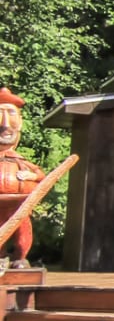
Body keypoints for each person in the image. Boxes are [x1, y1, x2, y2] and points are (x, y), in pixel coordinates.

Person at [0, 88, 45, 268]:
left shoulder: (20, 161)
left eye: (11, 114)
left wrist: (31, 175)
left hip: (18, 205)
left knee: (22, 231)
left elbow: (40, 175)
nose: (5, 124)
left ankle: (20, 258)